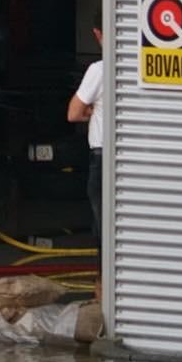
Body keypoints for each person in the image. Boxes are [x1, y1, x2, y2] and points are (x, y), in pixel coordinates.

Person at [67, 17, 105, 281]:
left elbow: (73, 113)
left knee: (104, 229)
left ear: (97, 33)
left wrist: (94, 110)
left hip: (102, 156)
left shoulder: (99, 70)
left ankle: (104, 291)